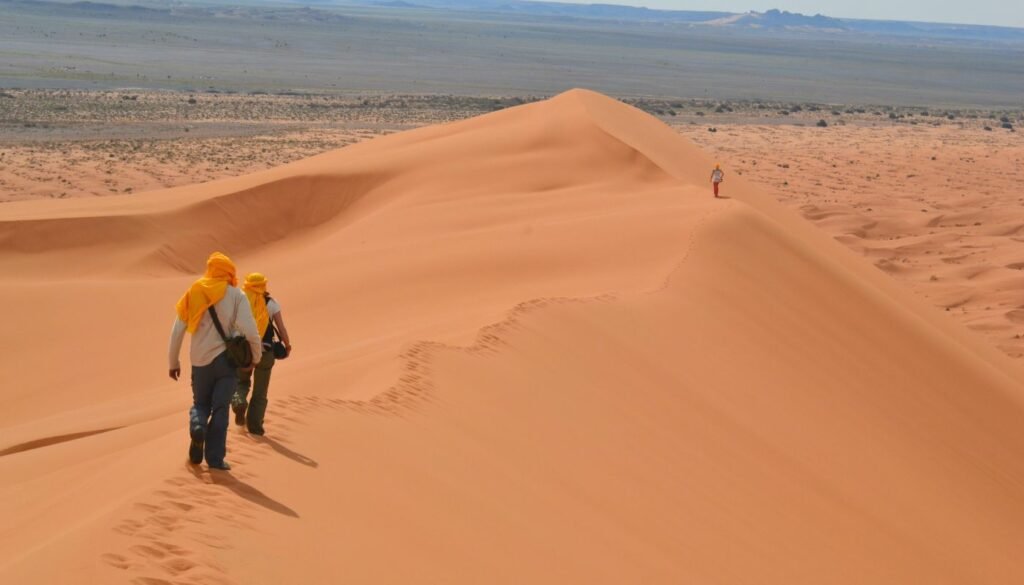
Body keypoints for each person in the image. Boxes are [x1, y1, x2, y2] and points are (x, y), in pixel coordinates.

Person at [169, 252, 261, 470]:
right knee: (221, 408)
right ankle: (215, 459)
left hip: (199, 361)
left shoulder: (195, 291)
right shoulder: (236, 295)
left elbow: (177, 329)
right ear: (229, 272)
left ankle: (198, 426)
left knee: (200, 404)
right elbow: (250, 330)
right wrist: (255, 357)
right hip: (225, 363)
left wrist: (173, 361)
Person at [232, 272, 292, 436]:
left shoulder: (240, 301)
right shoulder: (271, 303)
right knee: (260, 392)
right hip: (265, 352)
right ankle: (255, 427)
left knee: (241, 382)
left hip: (243, 352)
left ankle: (238, 400)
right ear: (263, 286)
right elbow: (281, 328)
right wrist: (287, 345)